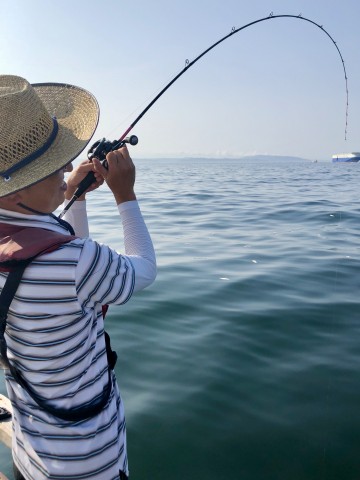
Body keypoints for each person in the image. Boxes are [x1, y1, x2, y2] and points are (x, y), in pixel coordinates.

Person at [0, 75, 157, 479]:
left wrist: (72, 196)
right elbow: (142, 269)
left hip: (30, 454)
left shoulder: (54, 254)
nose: (68, 166)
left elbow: (46, 249)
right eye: (52, 164)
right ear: (16, 191)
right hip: (88, 464)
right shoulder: (75, 262)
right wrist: (126, 195)